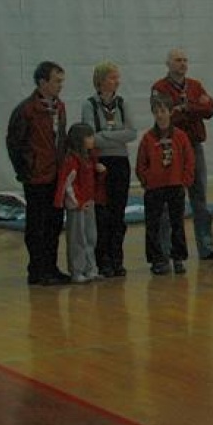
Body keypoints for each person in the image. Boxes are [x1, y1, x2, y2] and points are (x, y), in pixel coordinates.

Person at [152, 49, 213, 264]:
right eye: (178, 60)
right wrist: (194, 108)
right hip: (171, 145)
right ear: (168, 63)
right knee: (169, 199)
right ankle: (165, 250)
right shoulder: (159, 87)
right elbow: (165, 114)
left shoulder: (195, 85)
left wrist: (186, 107)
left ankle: (206, 246)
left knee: (199, 197)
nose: (182, 64)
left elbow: (210, 109)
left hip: (194, 145)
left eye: (185, 60)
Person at [7, 61, 70, 286]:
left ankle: (52, 267)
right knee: (37, 225)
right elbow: (14, 143)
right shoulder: (26, 110)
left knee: (54, 223)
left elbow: (61, 139)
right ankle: (37, 269)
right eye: (57, 81)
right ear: (43, 82)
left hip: (56, 174)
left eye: (61, 81)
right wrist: (26, 169)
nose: (60, 85)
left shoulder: (59, 107)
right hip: (36, 176)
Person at [80, 61, 138, 279]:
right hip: (100, 163)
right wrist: (112, 136)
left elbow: (131, 132)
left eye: (117, 77)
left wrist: (104, 135)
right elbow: (89, 137)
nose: (117, 81)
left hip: (120, 162)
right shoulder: (89, 105)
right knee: (101, 214)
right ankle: (101, 259)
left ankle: (117, 257)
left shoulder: (123, 104)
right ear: (101, 80)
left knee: (118, 212)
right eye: (113, 77)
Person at [136, 94, 194, 275]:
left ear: (170, 112)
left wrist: (185, 180)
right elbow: (140, 164)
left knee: (177, 223)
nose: (160, 115)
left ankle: (178, 257)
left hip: (175, 185)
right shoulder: (147, 138)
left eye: (163, 111)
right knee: (153, 225)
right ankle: (157, 259)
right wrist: (147, 180)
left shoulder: (180, 136)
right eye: (156, 111)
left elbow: (189, 160)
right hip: (154, 188)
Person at [55, 123, 105, 283]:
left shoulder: (90, 158)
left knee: (91, 236)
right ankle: (77, 270)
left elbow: (93, 182)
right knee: (77, 237)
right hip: (77, 206)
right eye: (89, 136)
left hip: (88, 202)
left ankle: (90, 268)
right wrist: (77, 203)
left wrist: (101, 172)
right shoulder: (72, 160)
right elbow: (68, 184)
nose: (92, 139)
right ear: (80, 140)